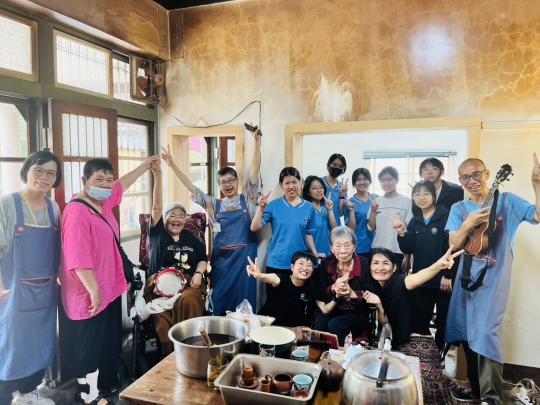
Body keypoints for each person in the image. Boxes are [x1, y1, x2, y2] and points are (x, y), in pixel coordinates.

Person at [60, 156, 159, 405]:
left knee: (107, 341)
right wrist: (94, 292)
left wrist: (147, 165)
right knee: (89, 345)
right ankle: (87, 395)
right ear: (84, 181)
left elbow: (122, 184)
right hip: (88, 292)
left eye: (108, 180)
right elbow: (78, 259)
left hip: (109, 287)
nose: (105, 185)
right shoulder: (77, 212)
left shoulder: (102, 202)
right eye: (98, 180)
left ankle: (104, 385)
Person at [445, 156, 540, 405]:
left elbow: (538, 215)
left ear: (487, 174)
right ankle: (476, 389)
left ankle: (491, 397)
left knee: (487, 333)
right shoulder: (458, 208)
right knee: (465, 330)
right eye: (465, 177)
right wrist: (468, 224)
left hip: (495, 278)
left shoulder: (507, 202)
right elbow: (454, 243)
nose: (471, 181)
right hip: (467, 277)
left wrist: (537, 184)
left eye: (476, 174)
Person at [159, 127, 260, 316]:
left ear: (237, 182)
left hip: (245, 260)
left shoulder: (248, 199)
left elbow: (255, 169)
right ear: (219, 185)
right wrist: (172, 165)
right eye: (223, 182)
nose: (228, 185)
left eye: (231, 180)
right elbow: (191, 187)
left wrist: (256, 142)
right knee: (220, 301)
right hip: (222, 262)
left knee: (245, 303)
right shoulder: (213, 205)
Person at [0, 152, 62, 405]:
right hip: (12, 293)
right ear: (26, 170)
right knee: (10, 348)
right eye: (39, 170)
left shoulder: (53, 207)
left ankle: (28, 395)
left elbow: (59, 248)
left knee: (41, 346)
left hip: (45, 293)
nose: (44, 177)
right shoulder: (7, 204)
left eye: (51, 173)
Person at [363, 246, 462, 405]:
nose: (380, 267)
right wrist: (379, 304)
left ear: (394, 267)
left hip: (419, 348)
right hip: (401, 346)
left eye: (385, 263)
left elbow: (416, 278)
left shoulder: (399, 281)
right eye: (375, 263)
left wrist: (439, 265)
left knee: (419, 396)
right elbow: (385, 321)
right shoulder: (381, 290)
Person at [144, 159, 208, 356]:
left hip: (189, 285)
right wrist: (158, 176)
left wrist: (198, 273)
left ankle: (192, 349)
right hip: (161, 287)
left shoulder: (190, 236)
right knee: (163, 315)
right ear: (164, 219)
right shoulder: (157, 234)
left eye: (182, 216)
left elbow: (203, 258)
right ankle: (171, 355)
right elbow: (156, 208)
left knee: (188, 299)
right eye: (172, 215)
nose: (177, 220)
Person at [389, 180, 452, 351]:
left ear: (434, 196)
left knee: (443, 320)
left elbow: (452, 247)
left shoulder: (445, 216)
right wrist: (402, 233)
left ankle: (439, 356)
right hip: (421, 278)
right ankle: (424, 354)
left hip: (442, 279)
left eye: (426, 193)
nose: (421, 197)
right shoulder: (415, 220)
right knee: (420, 318)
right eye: (417, 194)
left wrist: (448, 275)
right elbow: (408, 248)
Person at [251, 167, 319, 273]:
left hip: (300, 263)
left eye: (294, 182)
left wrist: (314, 253)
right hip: (276, 262)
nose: (291, 186)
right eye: (287, 183)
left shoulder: (309, 207)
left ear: (300, 182)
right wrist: (261, 207)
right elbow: (254, 227)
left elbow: (308, 234)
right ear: (281, 185)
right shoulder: (273, 205)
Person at [247, 251, 337, 327]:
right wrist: (260, 275)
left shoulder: (311, 284)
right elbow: (274, 278)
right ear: (292, 267)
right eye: (301, 263)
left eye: (309, 265)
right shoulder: (282, 279)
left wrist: (337, 297)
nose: (305, 268)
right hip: (267, 324)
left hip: (291, 329)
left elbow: (325, 310)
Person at [314, 226, 371, 346]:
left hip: (358, 313)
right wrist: (333, 288)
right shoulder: (326, 263)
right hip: (334, 309)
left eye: (347, 245)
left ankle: (341, 354)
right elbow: (321, 292)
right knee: (321, 321)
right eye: (338, 246)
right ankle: (318, 352)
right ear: (331, 248)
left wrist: (353, 294)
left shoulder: (366, 263)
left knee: (335, 324)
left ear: (354, 247)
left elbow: (373, 292)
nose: (343, 250)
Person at [368, 166, 412, 271]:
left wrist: (408, 257)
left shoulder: (406, 201)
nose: (386, 183)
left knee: (397, 280)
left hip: (399, 251)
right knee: (378, 280)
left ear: (396, 180)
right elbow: (371, 228)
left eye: (389, 179)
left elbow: (409, 231)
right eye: (382, 180)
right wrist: (373, 211)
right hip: (378, 249)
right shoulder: (376, 201)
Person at [344, 168, 377, 258]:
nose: (362, 182)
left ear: (370, 181)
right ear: (354, 183)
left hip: (376, 244)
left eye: (365, 179)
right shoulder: (349, 202)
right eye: (358, 180)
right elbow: (351, 230)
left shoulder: (376, 199)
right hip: (359, 246)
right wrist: (351, 211)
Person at [301, 175, 337, 257]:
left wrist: (330, 210)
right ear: (308, 192)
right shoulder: (306, 210)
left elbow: (334, 230)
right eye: (314, 188)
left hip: (326, 253)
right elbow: (307, 234)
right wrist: (314, 253)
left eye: (321, 187)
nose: (319, 190)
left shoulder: (324, 209)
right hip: (312, 254)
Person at [321, 153, 348, 224]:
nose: (337, 168)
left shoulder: (342, 187)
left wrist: (342, 196)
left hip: (335, 226)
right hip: (320, 225)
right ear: (328, 165)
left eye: (340, 166)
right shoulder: (319, 183)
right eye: (334, 165)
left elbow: (341, 213)